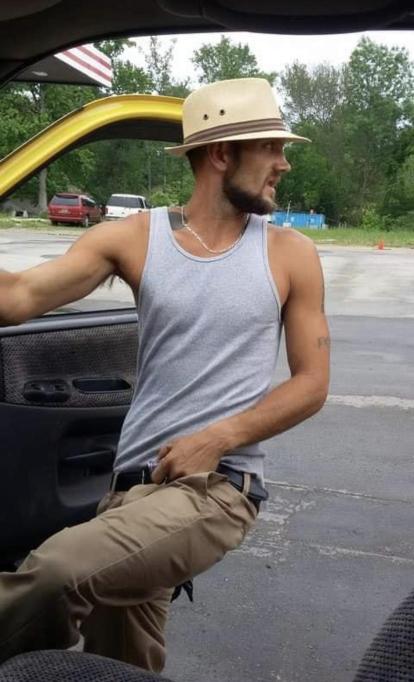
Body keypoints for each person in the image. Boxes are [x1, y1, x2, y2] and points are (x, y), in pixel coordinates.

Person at [0, 78, 330, 672]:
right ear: (221, 153)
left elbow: (312, 384)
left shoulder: (289, 254)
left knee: (57, 572)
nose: (283, 163)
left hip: (216, 489)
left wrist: (218, 437)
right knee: (121, 666)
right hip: (127, 493)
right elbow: (19, 297)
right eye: (270, 147)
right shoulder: (132, 238)